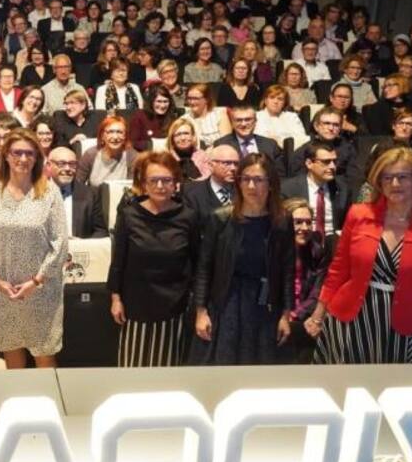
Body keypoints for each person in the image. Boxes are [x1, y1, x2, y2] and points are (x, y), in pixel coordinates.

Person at [304, 147, 412, 364]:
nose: (394, 184)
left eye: (403, 177)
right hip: (352, 321)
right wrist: (318, 315)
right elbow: (338, 270)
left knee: (403, 384)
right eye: (387, 177)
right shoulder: (358, 214)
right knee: (349, 383)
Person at [0, 129, 68, 368]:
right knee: (12, 351)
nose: (23, 159)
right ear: (6, 155)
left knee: (44, 355)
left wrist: (36, 281)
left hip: (41, 289)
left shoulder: (49, 192)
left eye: (29, 153)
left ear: (37, 157)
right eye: (17, 153)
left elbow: (60, 243)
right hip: (3, 288)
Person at [191, 153, 293, 365]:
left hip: (264, 304)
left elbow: (287, 271)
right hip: (227, 302)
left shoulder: (282, 221)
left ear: (271, 184)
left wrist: (285, 314)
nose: (251, 186)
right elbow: (204, 268)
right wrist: (201, 311)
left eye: (258, 179)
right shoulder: (220, 218)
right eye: (245, 179)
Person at [109, 152, 199, 367]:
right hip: (135, 303)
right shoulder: (129, 214)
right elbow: (118, 261)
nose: (160, 186)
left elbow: (196, 262)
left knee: (167, 369)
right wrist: (115, 299)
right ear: (144, 184)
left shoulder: (188, 216)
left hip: (174, 305)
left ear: (175, 183)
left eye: (166, 180)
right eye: (154, 180)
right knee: (133, 366)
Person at [283, 198, 334, 364]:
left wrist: (297, 314)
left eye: (308, 222)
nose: (305, 228)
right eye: (298, 222)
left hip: (304, 318)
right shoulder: (272, 251)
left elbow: (318, 290)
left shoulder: (317, 252)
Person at [280, 139, 351, 238]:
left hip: (333, 240)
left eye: (334, 161)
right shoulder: (289, 189)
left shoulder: (342, 188)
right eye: (326, 162)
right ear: (309, 163)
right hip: (301, 240)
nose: (332, 166)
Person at [46, 145, 108, 238]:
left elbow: (101, 231)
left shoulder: (90, 195)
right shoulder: (34, 193)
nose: (67, 168)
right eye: (61, 164)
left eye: (72, 164)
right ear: (48, 166)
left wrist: (82, 244)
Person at [76, 114, 138, 186]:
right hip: (93, 193)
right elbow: (77, 184)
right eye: (110, 132)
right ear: (102, 135)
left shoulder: (132, 156)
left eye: (120, 132)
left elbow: (133, 187)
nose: (115, 137)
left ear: (125, 136)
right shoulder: (90, 155)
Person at [213, 105, 282, 162]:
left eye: (248, 119)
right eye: (238, 120)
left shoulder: (270, 145)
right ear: (232, 123)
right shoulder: (222, 144)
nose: (243, 124)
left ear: (255, 121)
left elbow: (280, 173)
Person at [128, 84, 178, 151]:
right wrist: (153, 145)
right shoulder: (139, 116)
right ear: (151, 101)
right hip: (146, 155)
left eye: (165, 101)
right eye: (159, 101)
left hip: (167, 154)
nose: (162, 106)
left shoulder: (172, 118)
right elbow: (133, 142)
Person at [254, 85, 307, 149]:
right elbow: (257, 138)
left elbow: (302, 138)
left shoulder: (292, 117)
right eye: (272, 97)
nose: (276, 102)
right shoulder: (256, 116)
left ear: (284, 103)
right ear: (265, 101)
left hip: (290, 151)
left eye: (280, 99)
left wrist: (279, 140)